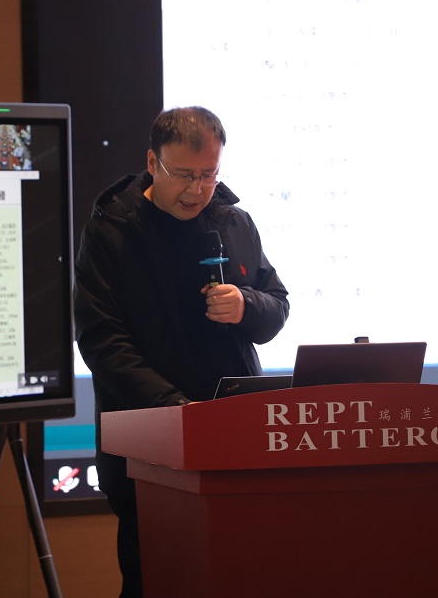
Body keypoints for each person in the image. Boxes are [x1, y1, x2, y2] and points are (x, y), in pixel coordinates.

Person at [73, 106, 289, 597]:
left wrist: (246, 305)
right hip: (149, 449)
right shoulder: (111, 231)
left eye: (209, 174)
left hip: (234, 444)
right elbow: (102, 341)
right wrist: (178, 411)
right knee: (157, 580)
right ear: (153, 163)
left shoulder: (233, 222)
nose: (197, 190)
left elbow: (277, 306)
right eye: (185, 175)